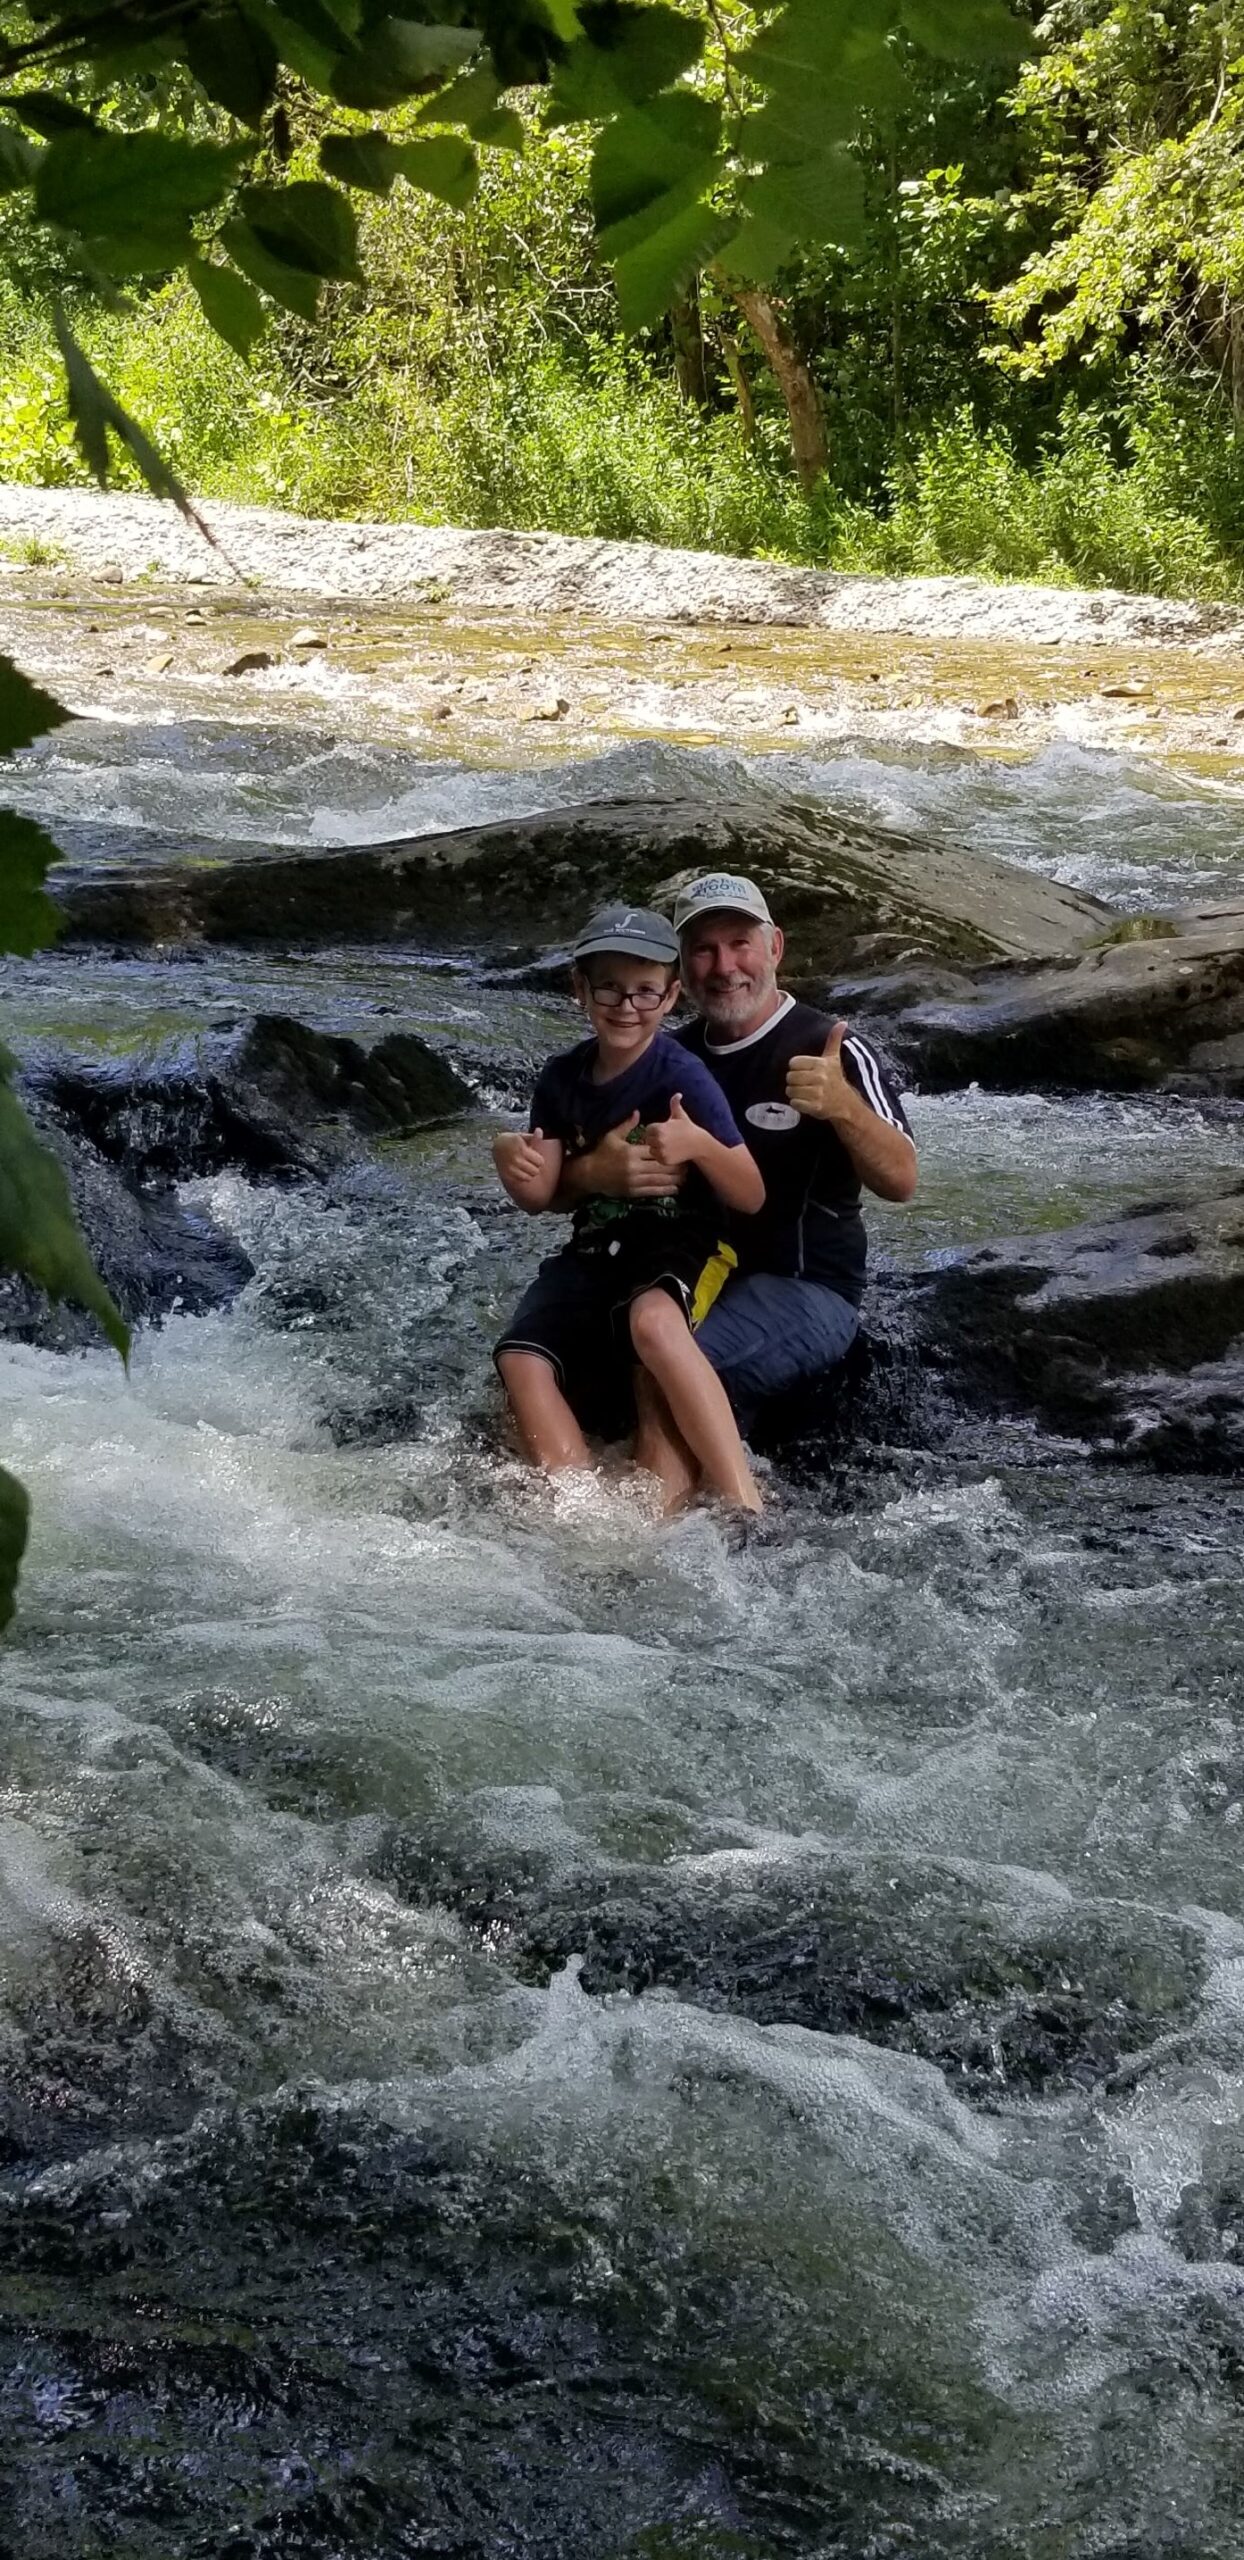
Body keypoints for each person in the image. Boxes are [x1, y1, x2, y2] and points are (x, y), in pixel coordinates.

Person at [556, 872, 918, 1505]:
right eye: (703, 949)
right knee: (555, 1360)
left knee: (660, 1366)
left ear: (774, 947)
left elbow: (903, 1181)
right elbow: (569, 1179)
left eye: (740, 944)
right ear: (680, 971)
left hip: (806, 1288)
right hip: (686, 1273)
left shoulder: (830, 1049)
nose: (725, 967)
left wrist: (842, 1107)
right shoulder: (663, 1057)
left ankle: (651, 1534)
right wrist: (591, 1171)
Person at [492, 903, 767, 1510]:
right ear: (580, 988)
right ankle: (581, 1508)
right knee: (520, 1358)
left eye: (644, 991)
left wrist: (698, 1144)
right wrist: (508, 1157)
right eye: (609, 988)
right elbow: (539, 1197)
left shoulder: (684, 1076)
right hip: (594, 1248)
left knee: (653, 1325)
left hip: (684, 1241)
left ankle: (744, 1498)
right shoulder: (561, 1078)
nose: (625, 1006)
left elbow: (750, 1193)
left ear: (670, 997)